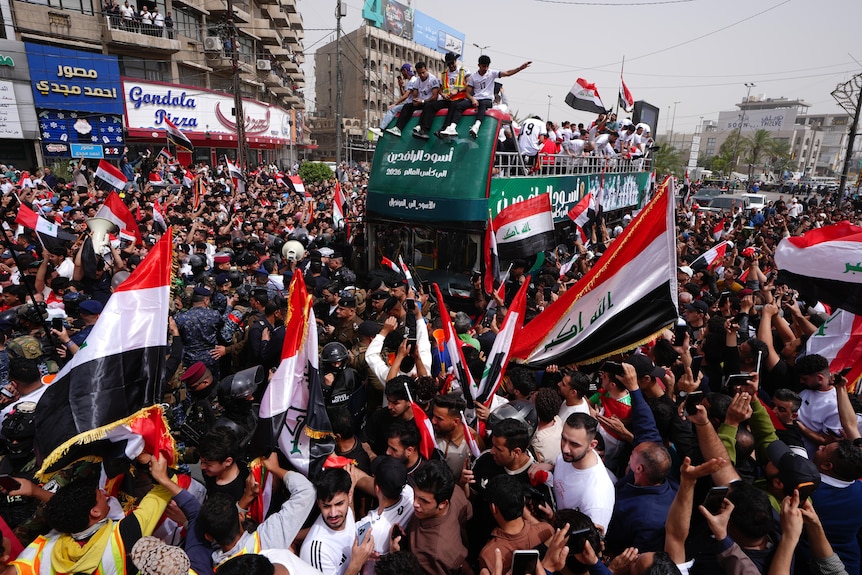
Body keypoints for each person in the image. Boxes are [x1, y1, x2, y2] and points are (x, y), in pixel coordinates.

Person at [10, 452, 179, 575]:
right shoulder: (125, 534)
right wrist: (146, 460)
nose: (104, 493)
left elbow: (64, 508)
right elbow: (165, 488)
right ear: (95, 512)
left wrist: (35, 491)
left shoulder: (46, 548)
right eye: (100, 496)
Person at [201, 452, 315, 567]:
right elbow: (306, 490)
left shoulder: (216, 566)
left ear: (208, 536)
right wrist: (275, 469)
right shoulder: (267, 539)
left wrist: (247, 498)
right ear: (241, 516)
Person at [396, 460, 471, 575]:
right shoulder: (456, 491)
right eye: (415, 495)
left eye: (424, 501)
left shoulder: (433, 552)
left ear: (443, 503)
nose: (415, 503)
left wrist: (397, 553)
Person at [299, 468, 355, 575]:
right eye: (326, 506)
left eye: (339, 504)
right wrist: (356, 564)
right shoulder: (317, 550)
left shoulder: (349, 513)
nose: (333, 513)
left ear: (350, 496)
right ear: (318, 503)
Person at [386, 61, 440, 140]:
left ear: (426, 70)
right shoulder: (417, 80)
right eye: (419, 73)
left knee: (428, 106)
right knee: (407, 106)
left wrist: (422, 101)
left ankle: (421, 127)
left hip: (429, 102)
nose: (421, 75)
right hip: (420, 102)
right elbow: (415, 94)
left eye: (423, 73)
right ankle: (398, 128)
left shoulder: (432, 80)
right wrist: (415, 101)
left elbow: (435, 97)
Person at [370, 64, 416, 138]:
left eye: (402, 72)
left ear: (405, 71)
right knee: (393, 109)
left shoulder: (413, 81)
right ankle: (381, 129)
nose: (402, 75)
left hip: (412, 105)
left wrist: (395, 104)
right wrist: (401, 87)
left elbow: (406, 96)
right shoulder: (411, 81)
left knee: (392, 109)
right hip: (409, 103)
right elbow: (404, 94)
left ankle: (382, 129)